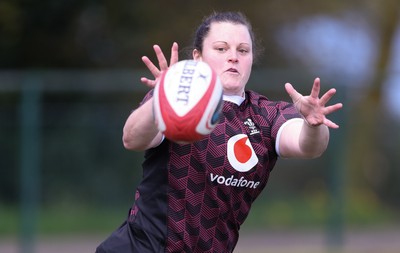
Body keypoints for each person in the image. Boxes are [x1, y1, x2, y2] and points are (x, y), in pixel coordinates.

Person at [96, 11, 343, 253]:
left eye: (242, 50)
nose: (233, 57)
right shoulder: (176, 98)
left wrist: (313, 124)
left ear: (251, 59)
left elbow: (309, 146)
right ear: (198, 57)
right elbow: (132, 138)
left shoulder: (266, 115)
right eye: (221, 48)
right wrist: (160, 99)